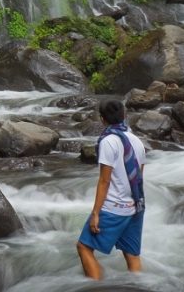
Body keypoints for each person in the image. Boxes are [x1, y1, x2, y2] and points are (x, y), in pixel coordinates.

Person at [76, 99, 146, 280]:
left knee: (83, 247)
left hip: (113, 208)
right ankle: (139, 287)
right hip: (135, 207)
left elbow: (104, 181)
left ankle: (97, 287)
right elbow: (139, 177)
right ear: (124, 116)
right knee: (132, 255)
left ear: (102, 119)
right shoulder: (136, 141)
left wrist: (96, 214)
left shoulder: (109, 142)